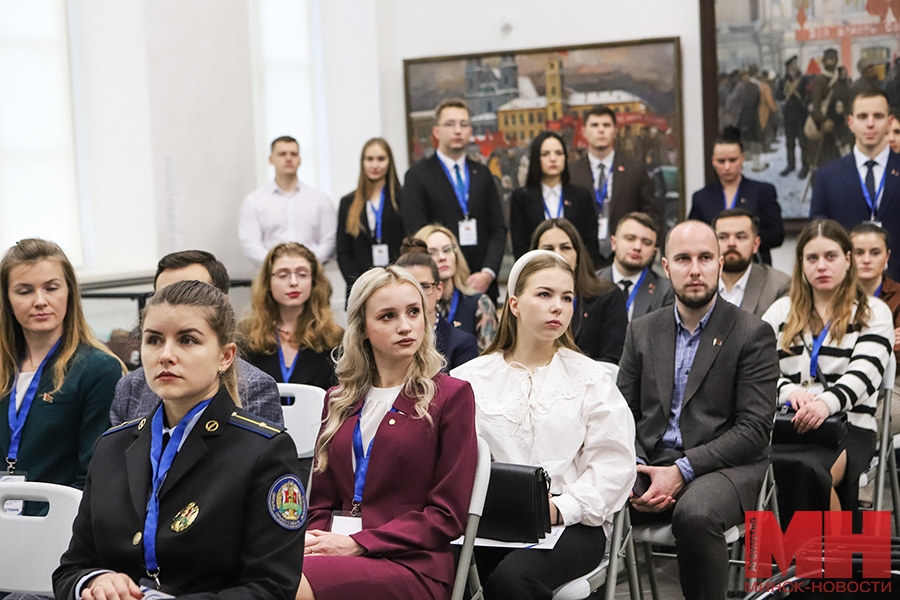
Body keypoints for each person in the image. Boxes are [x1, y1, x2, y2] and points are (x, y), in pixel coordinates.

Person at [53, 280, 306, 600]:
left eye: (187, 340)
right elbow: (70, 569)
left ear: (225, 356)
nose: (166, 355)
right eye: (154, 340)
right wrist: (94, 581)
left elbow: (273, 588)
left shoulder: (262, 450)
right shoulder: (111, 447)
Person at [451, 250, 635, 600]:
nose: (558, 307)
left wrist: (560, 508)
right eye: (545, 294)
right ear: (515, 304)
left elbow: (614, 465)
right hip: (486, 520)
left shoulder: (590, 378)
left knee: (511, 582)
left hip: (572, 523)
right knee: (427, 566)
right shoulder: (470, 379)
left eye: (567, 298)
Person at [617, 221, 778, 600]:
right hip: (653, 461)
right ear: (666, 265)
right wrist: (637, 466)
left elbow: (754, 430)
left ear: (720, 264)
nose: (695, 269)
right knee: (589, 496)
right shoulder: (641, 331)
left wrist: (680, 470)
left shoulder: (752, 332)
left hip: (727, 465)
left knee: (695, 515)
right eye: (683, 259)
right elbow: (622, 413)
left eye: (705, 258)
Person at [297, 266, 477, 600]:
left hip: (414, 564)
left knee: (286, 583)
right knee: (259, 569)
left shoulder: (451, 396)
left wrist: (358, 543)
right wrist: (316, 542)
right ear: (363, 328)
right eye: (387, 316)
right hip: (337, 552)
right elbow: (321, 502)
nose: (405, 326)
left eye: (413, 312)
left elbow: (447, 515)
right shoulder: (338, 399)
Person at [761, 220, 893, 524]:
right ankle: (800, 564)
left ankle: (822, 567)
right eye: (812, 258)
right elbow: (758, 370)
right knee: (774, 466)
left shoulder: (872, 312)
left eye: (831, 256)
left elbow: (863, 374)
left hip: (847, 427)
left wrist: (825, 404)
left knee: (806, 470)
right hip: (786, 425)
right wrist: (789, 392)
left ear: (848, 260)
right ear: (801, 264)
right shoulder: (781, 311)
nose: (822, 266)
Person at [0, 239, 125, 512]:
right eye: (24, 291)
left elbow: (92, 474)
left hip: (57, 528)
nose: (40, 301)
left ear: (69, 292)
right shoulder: (4, 366)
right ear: (7, 299)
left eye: (51, 288)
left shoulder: (98, 368)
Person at [110, 250, 283, 426]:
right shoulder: (131, 387)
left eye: (194, 294)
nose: (175, 304)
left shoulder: (254, 387)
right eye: (164, 295)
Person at [402, 99, 506, 298]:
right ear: (436, 131)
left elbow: (498, 229)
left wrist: (487, 273)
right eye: (450, 124)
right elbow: (417, 234)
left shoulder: (483, 173)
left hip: (482, 286)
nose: (457, 130)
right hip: (440, 287)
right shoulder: (417, 176)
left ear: (469, 132)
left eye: (464, 124)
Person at [811, 89, 900, 279]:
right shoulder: (827, 176)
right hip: (845, 285)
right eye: (862, 116)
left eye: (878, 116)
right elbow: (819, 234)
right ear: (850, 122)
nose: (870, 123)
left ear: (890, 121)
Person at [240, 243, 342, 392]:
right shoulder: (245, 335)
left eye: (302, 274)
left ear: (313, 281)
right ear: (268, 282)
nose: (293, 282)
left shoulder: (334, 338)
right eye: (283, 275)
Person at [568, 106, 660, 269]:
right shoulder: (572, 172)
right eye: (595, 125)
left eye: (606, 125)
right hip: (584, 260)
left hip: (625, 257)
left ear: (615, 131)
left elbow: (651, 213)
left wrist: (647, 254)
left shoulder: (634, 169)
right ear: (584, 131)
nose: (601, 130)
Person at [532, 218, 627, 364]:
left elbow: (611, 363)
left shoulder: (608, 296)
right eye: (548, 249)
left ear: (577, 255)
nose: (558, 255)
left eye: (565, 248)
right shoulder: (524, 299)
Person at [690, 128, 784, 265]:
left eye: (732, 160)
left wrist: (746, 240)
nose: (727, 167)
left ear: (742, 158)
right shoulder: (701, 197)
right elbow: (693, 237)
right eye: (721, 161)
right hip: (714, 270)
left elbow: (777, 235)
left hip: (755, 267)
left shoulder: (762, 191)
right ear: (713, 161)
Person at [239, 135, 337, 266]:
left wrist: (307, 264)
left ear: (300, 160)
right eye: (282, 154)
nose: (289, 158)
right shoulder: (254, 201)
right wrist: (278, 265)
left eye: (294, 154)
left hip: (313, 276)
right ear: (271, 159)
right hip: (270, 276)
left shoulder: (320, 199)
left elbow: (329, 241)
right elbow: (251, 244)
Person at [509, 131, 598, 262]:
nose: (553, 158)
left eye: (559, 153)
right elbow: (520, 246)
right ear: (535, 158)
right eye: (545, 154)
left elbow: (590, 243)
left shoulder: (581, 196)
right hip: (538, 272)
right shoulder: (521, 198)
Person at [395, 238, 477, 372]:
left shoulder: (461, 343)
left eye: (424, 287)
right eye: (409, 287)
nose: (418, 295)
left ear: (439, 290)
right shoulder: (389, 340)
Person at [337, 138, 405, 298]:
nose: (375, 165)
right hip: (361, 288)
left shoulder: (403, 198)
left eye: (381, 159)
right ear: (362, 162)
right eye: (370, 159)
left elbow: (408, 242)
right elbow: (343, 251)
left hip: (397, 284)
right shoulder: (348, 202)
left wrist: (400, 279)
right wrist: (359, 285)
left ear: (390, 162)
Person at [415, 224, 498, 351]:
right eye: (432, 253)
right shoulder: (412, 306)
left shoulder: (480, 304)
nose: (442, 257)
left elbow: (489, 361)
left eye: (447, 250)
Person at [714, 209, 791, 317]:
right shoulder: (697, 282)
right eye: (723, 237)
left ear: (755, 244)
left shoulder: (779, 286)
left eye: (740, 237)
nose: (731, 243)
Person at [598, 212, 674, 321]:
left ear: (653, 252)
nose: (637, 247)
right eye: (630, 238)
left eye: (646, 242)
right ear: (613, 243)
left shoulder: (665, 292)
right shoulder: (591, 283)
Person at [806, 49, 851, 169]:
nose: (830, 62)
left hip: (840, 126)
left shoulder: (841, 80)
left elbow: (847, 100)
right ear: (824, 62)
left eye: (833, 60)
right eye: (828, 60)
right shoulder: (819, 80)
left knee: (841, 163)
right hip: (824, 127)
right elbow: (815, 107)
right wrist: (823, 121)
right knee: (823, 164)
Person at [777, 56, 809, 178]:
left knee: (803, 142)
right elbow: (778, 96)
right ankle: (791, 165)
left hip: (801, 114)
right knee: (790, 143)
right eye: (791, 67)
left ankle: (805, 166)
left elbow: (808, 94)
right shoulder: (783, 81)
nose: (794, 68)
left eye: (795, 66)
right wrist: (784, 93)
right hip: (789, 115)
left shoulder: (803, 80)